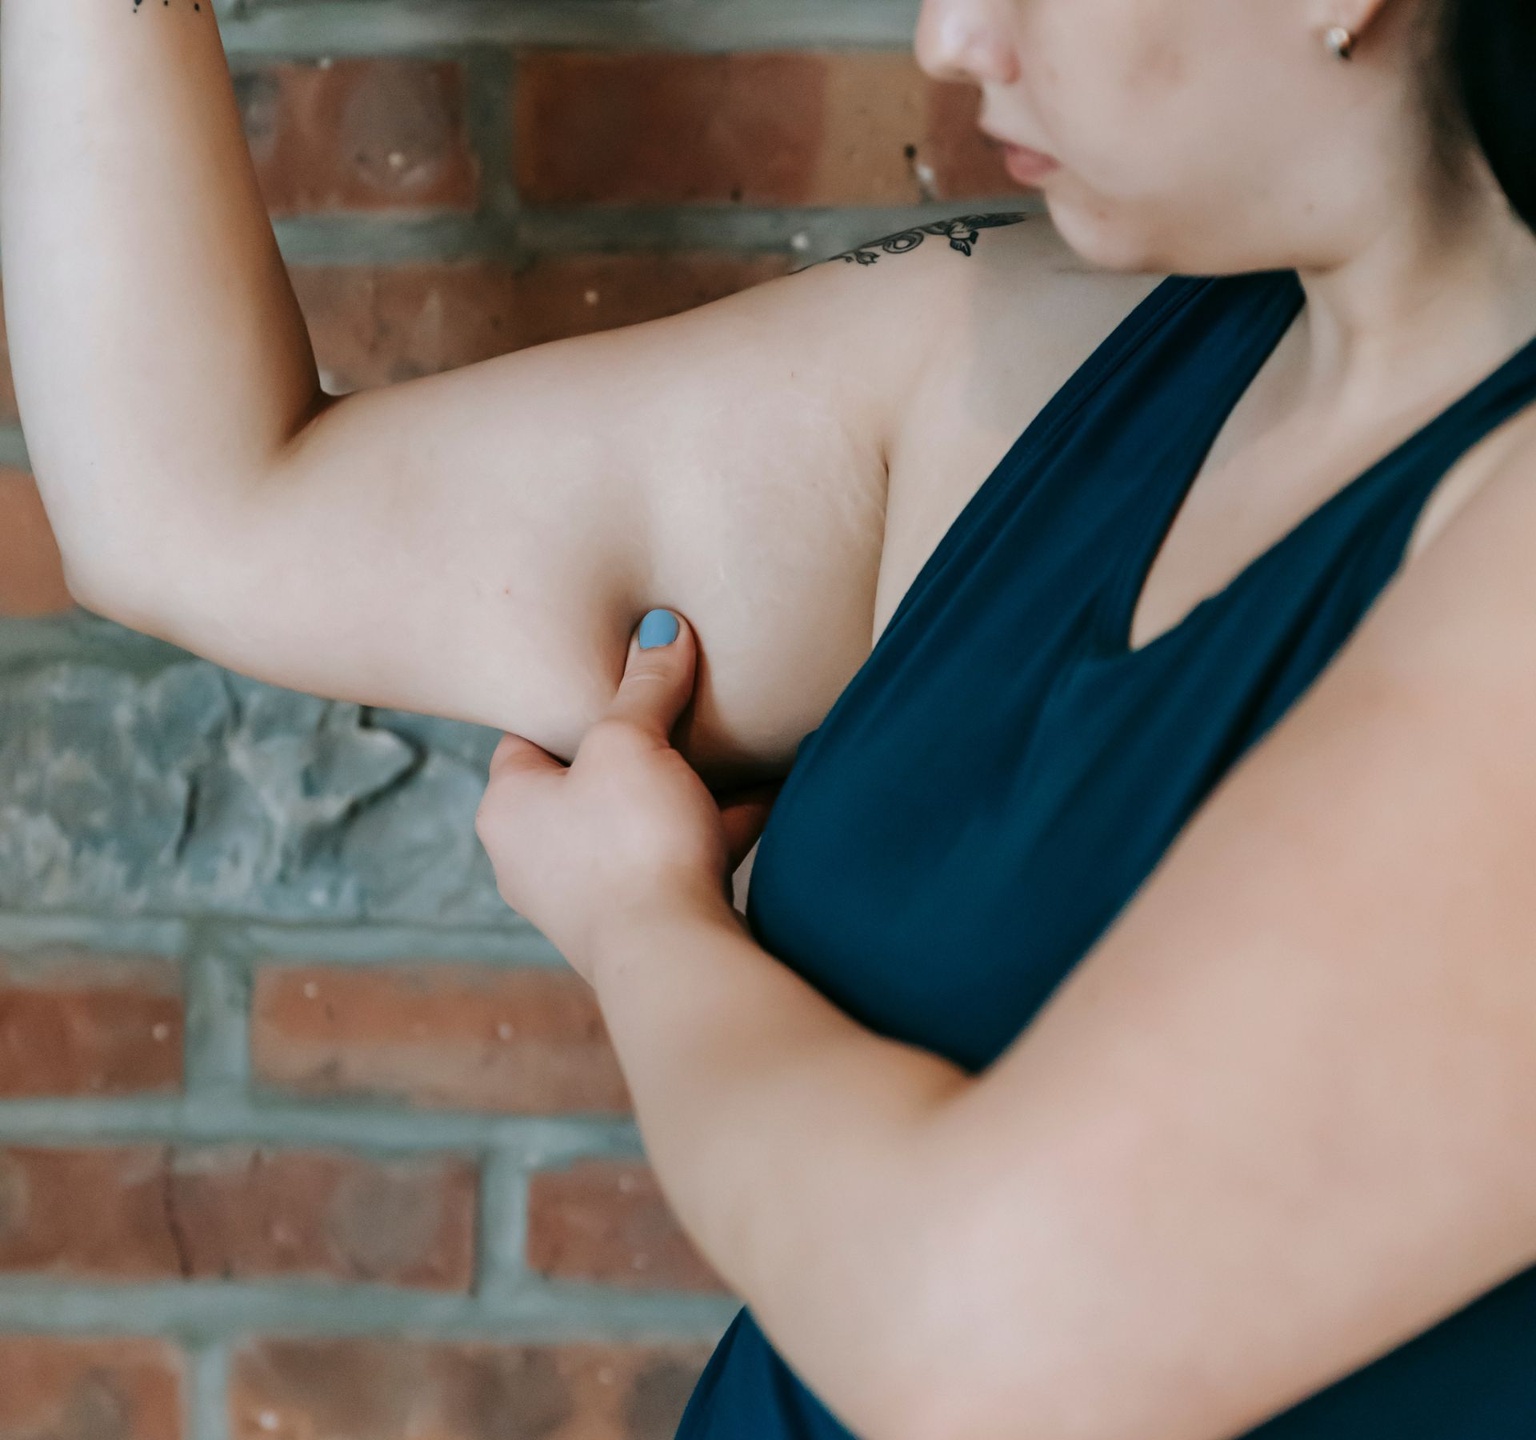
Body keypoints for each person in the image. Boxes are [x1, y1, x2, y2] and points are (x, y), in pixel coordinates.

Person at [8, 0, 1536, 1431]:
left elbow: (983, 1346)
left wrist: (641, 924)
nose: (953, 40)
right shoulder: (1048, 351)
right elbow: (197, 516)